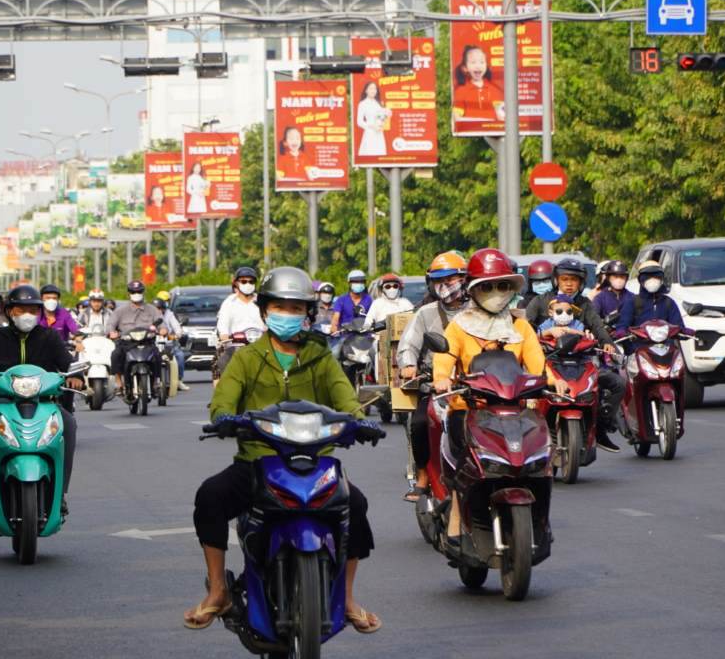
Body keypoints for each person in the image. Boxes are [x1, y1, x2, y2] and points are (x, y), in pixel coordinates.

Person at [184, 266, 383, 634]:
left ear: (307, 314)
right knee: (210, 496)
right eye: (280, 307)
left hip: (316, 462)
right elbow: (222, 401)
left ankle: (348, 597)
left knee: (355, 504)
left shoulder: (320, 357)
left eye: (296, 309)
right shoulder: (246, 358)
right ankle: (218, 590)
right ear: (264, 311)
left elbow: (344, 397)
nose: (287, 315)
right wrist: (226, 417)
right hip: (258, 462)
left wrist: (360, 421)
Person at [430, 249, 562, 541]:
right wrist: (441, 379)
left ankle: (540, 521)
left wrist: (553, 381)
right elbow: (444, 361)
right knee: (459, 458)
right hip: (469, 407)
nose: (496, 292)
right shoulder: (459, 327)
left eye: (503, 285)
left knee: (540, 459)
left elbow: (537, 362)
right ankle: (456, 515)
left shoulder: (520, 326)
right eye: (487, 286)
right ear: (473, 290)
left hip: (516, 407)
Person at [0, 285, 82, 515]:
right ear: (10, 312)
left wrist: (76, 376)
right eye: (21, 309)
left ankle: (60, 495)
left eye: (32, 309)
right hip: (2, 402)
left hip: (44, 403)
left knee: (68, 424)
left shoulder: (49, 336)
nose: (27, 315)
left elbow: (67, 363)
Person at [524, 258, 625, 452]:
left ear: (581, 282)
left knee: (617, 383)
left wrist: (609, 345)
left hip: (581, 362)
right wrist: (544, 333)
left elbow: (598, 326)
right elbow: (524, 328)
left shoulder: (585, 304)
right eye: (565, 279)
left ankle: (600, 429)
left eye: (574, 280)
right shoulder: (540, 301)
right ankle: (532, 437)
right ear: (557, 280)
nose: (569, 284)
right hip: (549, 362)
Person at [397, 251, 469, 501]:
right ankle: (423, 475)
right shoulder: (425, 313)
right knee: (418, 424)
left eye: (451, 280)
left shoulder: (478, 310)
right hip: (434, 387)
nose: (445, 286)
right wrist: (408, 365)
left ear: (464, 280)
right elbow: (408, 345)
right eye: (439, 281)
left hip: (474, 386)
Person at [108, 281, 167, 393]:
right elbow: (110, 324)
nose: (136, 293)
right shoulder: (120, 311)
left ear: (143, 292)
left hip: (147, 343)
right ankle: (118, 382)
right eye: (133, 291)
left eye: (139, 291)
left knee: (158, 356)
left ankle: (156, 381)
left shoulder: (152, 309)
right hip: (127, 344)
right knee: (116, 354)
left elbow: (161, 323)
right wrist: (111, 332)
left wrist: (163, 330)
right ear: (129, 293)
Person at [616, 261, 685, 334]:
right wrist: (621, 331)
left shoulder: (668, 302)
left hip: (665, 343)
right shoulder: (632, 302)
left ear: (662, 279)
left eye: (656, 276)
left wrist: (683, 330)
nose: (652, 280)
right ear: (640, 280)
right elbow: (623, 323)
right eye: (647, 277)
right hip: (639, 343)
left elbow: (678, 325)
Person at [453, 45, 504, 122]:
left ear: (486, 66)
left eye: (482, 62)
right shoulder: (461, 91)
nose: (478, 66)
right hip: (470, 132)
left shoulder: (493, 89)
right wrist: (480, 121)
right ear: (465, 68)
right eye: (473, 62)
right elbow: (456, 118)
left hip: (493, 131)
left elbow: (500, 113)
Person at [215, 267, 264, 339]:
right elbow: (223, 326)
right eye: (244, 282)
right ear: (236, 283)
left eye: (251, 282)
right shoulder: (229, 303)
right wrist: (224, 338)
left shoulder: (261, 301)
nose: (248, 284)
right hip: (237, 346)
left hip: (260, 345)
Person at [155, 290, 190, 392]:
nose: (159, 309)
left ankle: (178, 380)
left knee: (179, 356)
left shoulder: (170, 314)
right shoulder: (149, 313)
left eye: (161, 307)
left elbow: (177, 328)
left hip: (169, 344)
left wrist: (177, 334)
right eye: (158, 307)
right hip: (154, 344)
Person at [592, 260, 635, 331]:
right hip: (607, 337)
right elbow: (593, 317)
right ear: (608, 278)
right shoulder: (600, 298)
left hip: (629, 337)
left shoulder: (632, 297)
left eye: (622, 277)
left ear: (626, 278)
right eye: (615, 276)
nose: (619, 280)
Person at [356, 80, 389, 157]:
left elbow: (382, 118)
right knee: (369, 156)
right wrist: (372, 126)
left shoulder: (378, 103)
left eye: (375, 89)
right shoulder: (362, 104)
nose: (373, 91)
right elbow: (359, 122)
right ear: (366, 90)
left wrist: (384, 120)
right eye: (370, 88)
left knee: (380, 156)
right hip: (369, 133)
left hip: (379, 133)